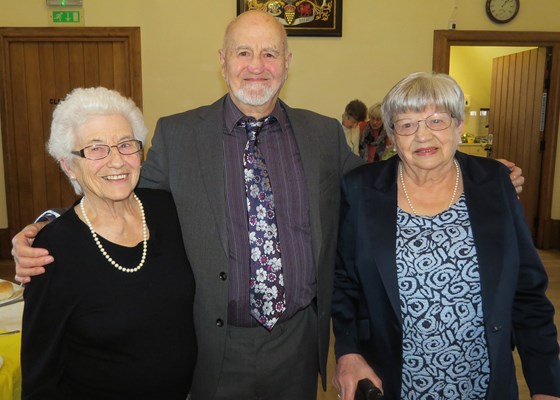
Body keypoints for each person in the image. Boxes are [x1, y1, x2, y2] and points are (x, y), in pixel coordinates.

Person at [10, 12, 526, 400]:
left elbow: (381, 187)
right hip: (214, 343)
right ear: (222, 61)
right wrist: (50, 226)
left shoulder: (323, 136)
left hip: (298, 340)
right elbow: (119, 186)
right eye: (243, 53)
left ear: (287, 62)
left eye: (270, 53)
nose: (256, 67)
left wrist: (476, 174)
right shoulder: (179, 133)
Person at [331, 72, 560, 400]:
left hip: (482, 381)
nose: (423, 136)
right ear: (393, 136)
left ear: (459, 125)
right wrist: (348, 352)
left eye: (437, 120)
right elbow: (343, 283)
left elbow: (528, 293)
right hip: (393, 380)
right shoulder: (361, 189)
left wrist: (547, 385)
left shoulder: (494, 183)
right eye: (407, 124)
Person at [21, 87, 197, 399]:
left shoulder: (167, 210)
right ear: (68, 164)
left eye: (126, 145)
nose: (117, 162)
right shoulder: (52, 249)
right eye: (96, 149)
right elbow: (40, 370)